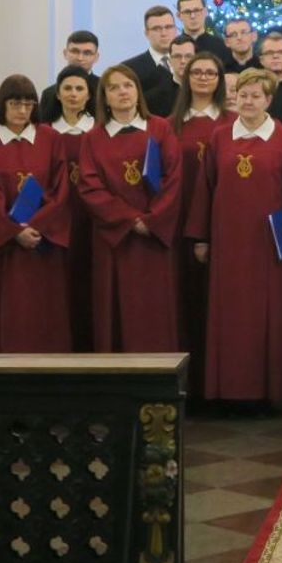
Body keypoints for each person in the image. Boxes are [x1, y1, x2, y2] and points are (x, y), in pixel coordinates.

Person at [189, 68, 282, 403]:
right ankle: (227, 392)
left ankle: (267, 393)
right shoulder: (219, 137)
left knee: (268, 316)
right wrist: (201, 237)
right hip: (228, 242)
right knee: (229, 316)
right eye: (243, 95)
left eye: (255, 95)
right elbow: (204, 188)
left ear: (268, 100)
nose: (248, 101)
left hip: (270, 245)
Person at [76, 64, 183, 352]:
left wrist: (153, 219)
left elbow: (173, 178)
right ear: (104, 97)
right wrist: (129, 219)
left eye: (128, 85)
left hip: (155, 237)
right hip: (114, 239)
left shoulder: (160, 128)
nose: (122, 92)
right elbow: (90, 187)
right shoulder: (93, 138)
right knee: (115, 309)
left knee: (154, 309)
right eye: (114, 87)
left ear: (138, 91)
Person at [0, 75, 73, 352]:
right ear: (2, 104)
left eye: (28, 104)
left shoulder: (51, 139)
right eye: (15, 103)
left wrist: (36, 226)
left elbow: (61, 189)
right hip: (1, 246)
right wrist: (14, 231)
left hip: (41, 242)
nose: (22, 110)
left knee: (41, 315)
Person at [167, 52, 231, 397]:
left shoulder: (233, 122)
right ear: (186, 78)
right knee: (185, 300)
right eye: (197, 72)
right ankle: (187, 385)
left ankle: (218, 380)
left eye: (211, 72)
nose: (204, 77)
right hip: (178, 222)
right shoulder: (169, 125)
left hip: (222, 224)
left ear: (220, 79)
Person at [41, 64, 96, 349]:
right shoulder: (45, 133)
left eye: (79, 89)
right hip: (57, 218)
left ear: (89, 95)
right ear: (58, 94)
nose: (73, 94)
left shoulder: (99, 130)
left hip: (94, 218)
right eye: (67, 89)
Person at [121, 5, 179, 118]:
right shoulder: (129, 69)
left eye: (168, 27)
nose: (164, 33)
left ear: (175, 30)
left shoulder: (190, 64)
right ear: (146, 33)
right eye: (157, 29)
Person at [38, 30, 101, 123]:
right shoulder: (49, 93)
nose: (80, 58)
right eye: (75, 51)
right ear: (65, 53)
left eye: (87, 53)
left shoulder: (105, 89)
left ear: (96, 57)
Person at [175, 0, 231, 65]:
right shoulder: (174, 47)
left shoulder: (221, 46)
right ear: (179, 16)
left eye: (197, 10)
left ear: (205, 12)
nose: (192, 16)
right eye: (187, 12)